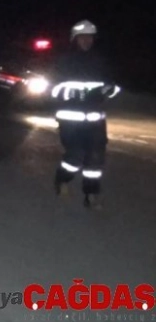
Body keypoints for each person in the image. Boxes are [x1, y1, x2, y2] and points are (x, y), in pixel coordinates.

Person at [51, 20, 119, 209]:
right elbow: (52, 89)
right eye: (82, 37)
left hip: (95, 118)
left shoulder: (100, 60)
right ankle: (62, 179)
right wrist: (75, 93)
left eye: (90, 37)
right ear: (74, 39)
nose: (87, 41)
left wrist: (107, 90)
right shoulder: (64, 60)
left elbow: (113, 86)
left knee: (96, 158)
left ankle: (91, 194)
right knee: (76, 155)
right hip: (71, 119)